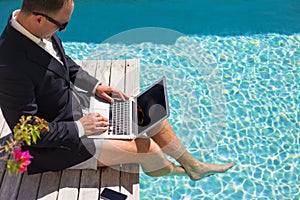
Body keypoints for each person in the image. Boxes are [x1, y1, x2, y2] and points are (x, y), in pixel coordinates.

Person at [0, 0, 233, 179]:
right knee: (148, 150)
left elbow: (62, 61)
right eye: (63, 25)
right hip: (60, 146)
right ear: (39, 19)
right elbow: (25, 131)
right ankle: (178, 173)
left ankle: (194, 166)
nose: (64, 30)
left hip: (79, 111)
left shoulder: (37, 31)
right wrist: (81, 127)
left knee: (150, 111)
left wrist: (95, 86)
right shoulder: (10, 65)